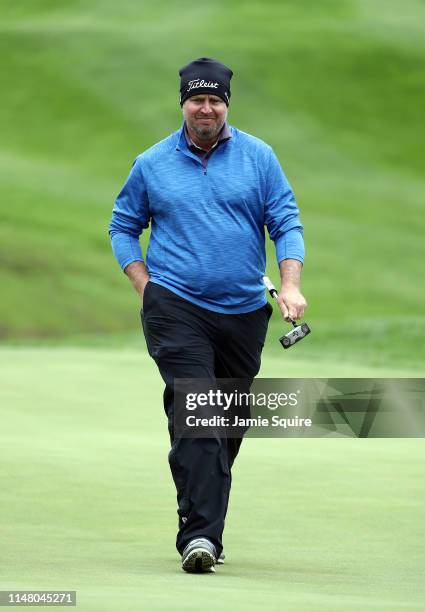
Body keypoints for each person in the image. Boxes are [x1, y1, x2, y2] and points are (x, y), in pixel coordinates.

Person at [109, 57, 307, 573]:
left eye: (215, 100)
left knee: (226, 429)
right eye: (197, 99)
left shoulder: (258, 157)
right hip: (176, 306)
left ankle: (195, 511)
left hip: (244, 311)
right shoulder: (152, 163)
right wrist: (145, 286)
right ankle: (201, 539)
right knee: (200, 410)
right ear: (183, 104)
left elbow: (285, 219)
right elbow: (122, 227)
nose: (206, 108)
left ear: (226, 105)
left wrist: (290, 283)